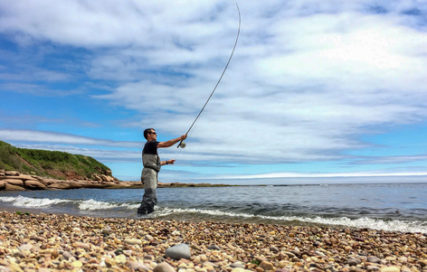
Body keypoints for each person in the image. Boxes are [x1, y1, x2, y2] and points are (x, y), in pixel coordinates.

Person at [137, 128, 187, 215]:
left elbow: (155, 163)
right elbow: (166, 144)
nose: (156, 134)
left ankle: (146, 214)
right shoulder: (151, 144)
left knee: (150, 195)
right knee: (150, 196)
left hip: (150, 172)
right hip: (149, 173)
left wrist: (167, 162)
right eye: (154, 133)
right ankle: (143, 215)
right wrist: (180, 138)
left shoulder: (149, 146)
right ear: (148, 135)